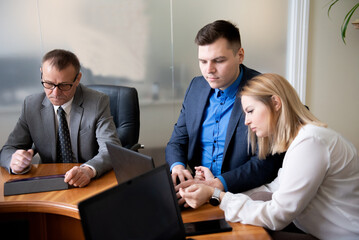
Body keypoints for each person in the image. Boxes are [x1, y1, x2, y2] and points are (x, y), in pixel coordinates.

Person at [179, 73, 359, 240]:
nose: (246, 121)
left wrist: (217, 195)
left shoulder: (311, 143)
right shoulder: (303, 140)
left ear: (275, 103)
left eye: (250, 111)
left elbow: (276, 216)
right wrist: (214, 189)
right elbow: (271, 191)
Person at [166, 20, 284, 197]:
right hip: (196, 187)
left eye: (218, 61)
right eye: (203, 61)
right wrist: (178, 167)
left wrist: (217, 184)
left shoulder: (263, 90)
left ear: (240, 55)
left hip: (243, 193)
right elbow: (177, 141)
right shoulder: (196, 87)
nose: (209, 70)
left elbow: (267, 162)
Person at [0, 49, 122, 187]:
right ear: (42, 75)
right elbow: (8, 149)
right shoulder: (31, 105)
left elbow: (111, 149)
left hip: (87, 183)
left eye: (64, 85)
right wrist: (14, 161)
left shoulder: (97, 102)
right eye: (49, 84)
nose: (55, 93)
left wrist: (88, 170)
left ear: (78, 79)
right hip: (48, 182)